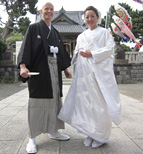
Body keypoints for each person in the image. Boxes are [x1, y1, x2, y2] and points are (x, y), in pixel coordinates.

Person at [58, 6, 122, 148]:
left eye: (92, 16)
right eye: (87, 17)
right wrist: (78, 54)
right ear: (84, 19)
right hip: (85, 76)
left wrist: (92, 54)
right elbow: (75, 51)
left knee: (100, 104)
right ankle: (90, 132)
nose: (89, 19)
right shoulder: (81, 36)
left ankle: (101, 135)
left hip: (99, 75)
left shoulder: (104, 33)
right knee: (87, 104)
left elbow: (110, 49)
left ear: (97, 17)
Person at [17, 2, 72, 153]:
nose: (49, 11)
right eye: (46, 9)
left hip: (54, 69)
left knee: (54, 100)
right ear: (41, 11)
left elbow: (60, 51)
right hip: (40, 70)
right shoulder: (33, 28)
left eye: (51, 9)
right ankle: (32, 138)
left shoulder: (54, 31)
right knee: (37, 103)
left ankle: (53, 131)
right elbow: (26, 47)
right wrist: (23, 66)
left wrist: (65, 69)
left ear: (54, 13)